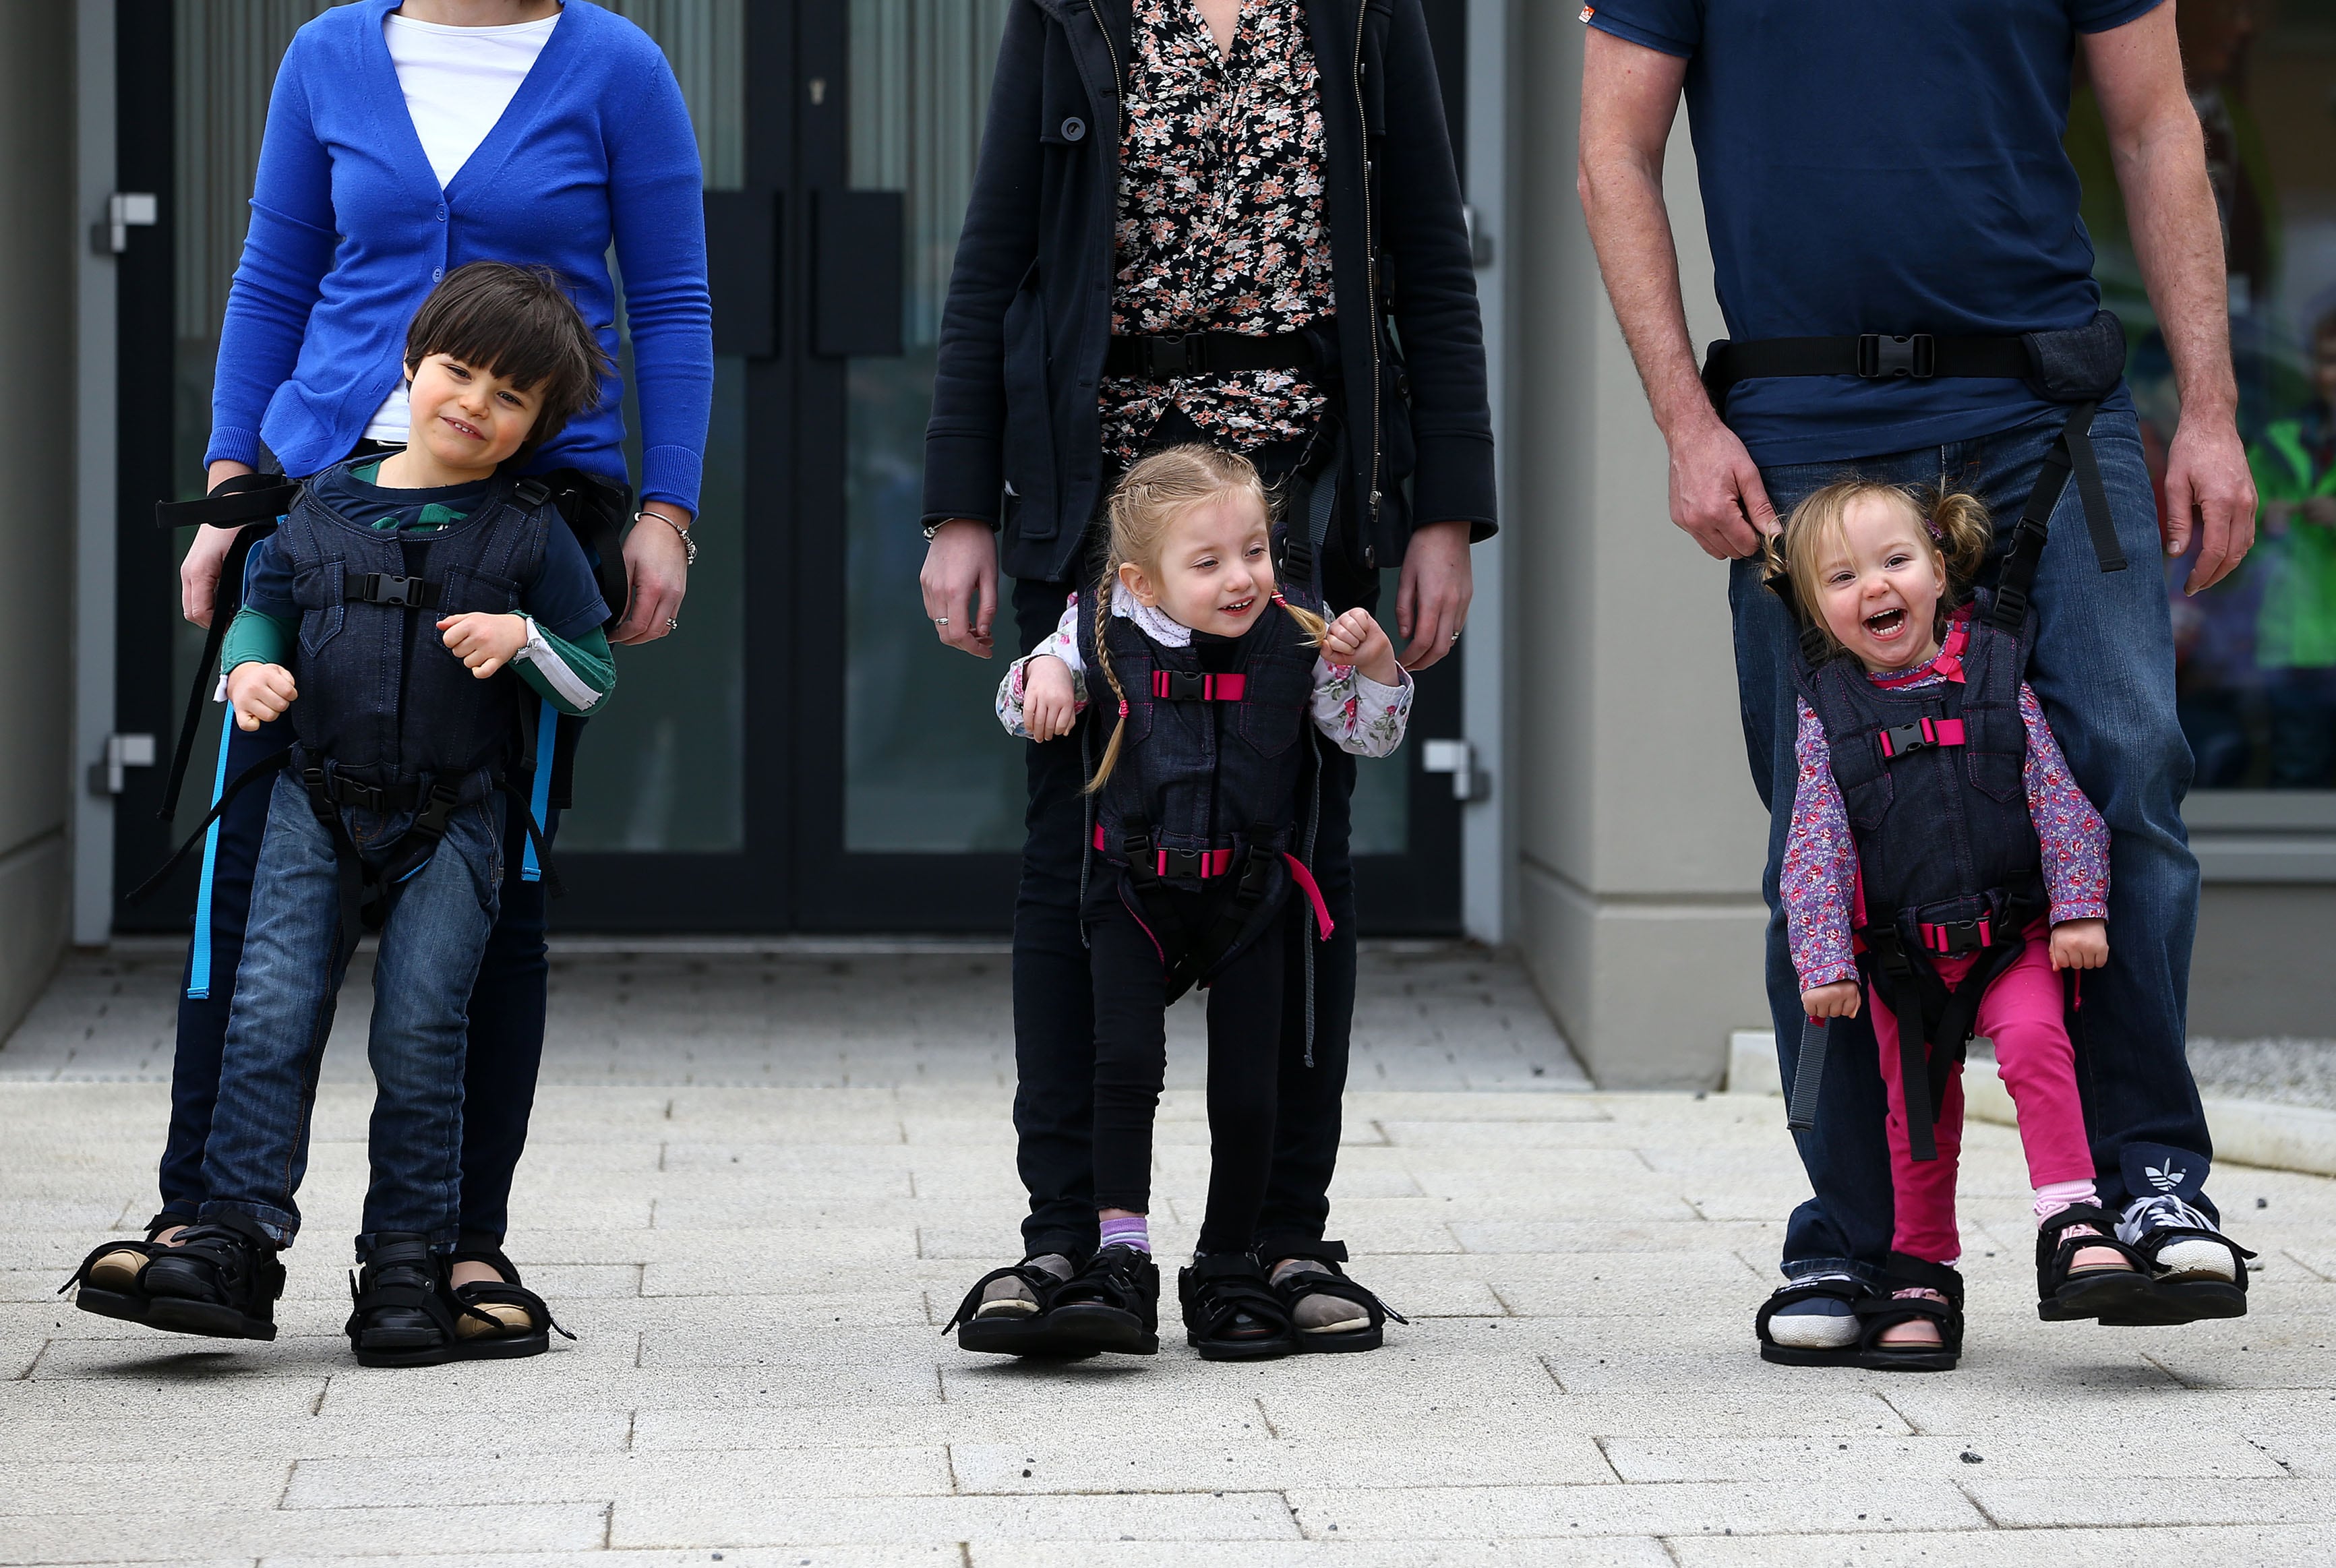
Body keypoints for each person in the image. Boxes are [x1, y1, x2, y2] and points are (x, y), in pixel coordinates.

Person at [1576, 0, 2261, 1357]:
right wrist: (1681, 419)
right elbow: (1611, 153)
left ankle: (2148, 1189)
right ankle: (1855, 1233)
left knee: (2125, 761)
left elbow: (2150, 119)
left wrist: (2210, 408)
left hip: (2041, 409)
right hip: (1804, 419)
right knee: (1824, 830)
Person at [105, 0, 709, 1326]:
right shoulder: (328, 54)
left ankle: (453, 1246)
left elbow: (669, 298)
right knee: (252, 869)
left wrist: (667, 507)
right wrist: (228, 485)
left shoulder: (617, 65)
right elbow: (274, 275)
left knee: (493, 885)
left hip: (531, 511)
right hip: (323, 491)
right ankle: (211, 1221)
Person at [920, 0, 1491, 1352]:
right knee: (1078, 862)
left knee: (1297, 870)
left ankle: (1270, 1243)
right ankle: (1073, 1246)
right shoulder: (1071, 11)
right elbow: (993, 255)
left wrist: (1444, 510)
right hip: (1101, 506)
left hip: (1298, 502)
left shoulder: (1359, 13)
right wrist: (960, 505)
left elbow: (1427, 259)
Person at [70, 264, 616, 1364]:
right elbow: (259, 620)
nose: (473, 404)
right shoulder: (319, 504)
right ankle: (233, 1236)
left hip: (456, 823)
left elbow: (593, 673)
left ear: (538, 428)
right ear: (411, 366)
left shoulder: (529, 536)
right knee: (270, 1014)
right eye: (458, 372)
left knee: (421, 1031)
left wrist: (526, 643)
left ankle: (409, 1260)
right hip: (312, 808)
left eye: (510, 397)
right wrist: (253, 676)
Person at [958, 446, 1412, 1360]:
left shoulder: (1299, 630)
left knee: (1251, 1088)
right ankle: (1120, 1255)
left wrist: (1379, 662)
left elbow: (1367, 735)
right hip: (1132, 891)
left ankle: (1231, 1259)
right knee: (1121, 1068)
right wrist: (1042, 679)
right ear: (1144, 579)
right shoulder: (1094, 625)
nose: (1242, 577)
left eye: (1254, 551)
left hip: (1250, 896)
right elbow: (1019, 703)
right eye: (1208, 563)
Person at [1758, 479, 2215, 1372]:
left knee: (2040, 1049)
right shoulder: (1826, 711)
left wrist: (2079, 908)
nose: (1875, 587)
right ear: (1815, 607)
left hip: (2012, 943)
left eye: (1895, 561)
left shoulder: (1999, 676)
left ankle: (2072, 1220)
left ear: (1939, 568)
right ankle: (1922, 1267)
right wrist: (1823, 960)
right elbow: (1813, 844)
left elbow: (2060, 801)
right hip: (1900, 964)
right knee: (1917, 1119)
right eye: (1842, 577)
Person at [2251, 310, 2336, 787]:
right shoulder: (2277, 443)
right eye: (2328, 360)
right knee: (2296, 772)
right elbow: (2227, 519)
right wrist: (2266, 517)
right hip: (2292, 638)